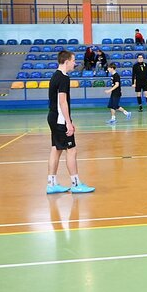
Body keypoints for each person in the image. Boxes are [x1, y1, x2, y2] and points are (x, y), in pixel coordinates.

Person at [46, 50, 95, 194]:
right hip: (60, 119)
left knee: (56, 149)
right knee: (71, 150)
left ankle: (51, 184)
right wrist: (68, 122)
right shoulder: (63, 78)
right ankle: (76, 184)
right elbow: (62, 101)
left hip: (53, 116)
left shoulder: (55, 76)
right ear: (66, 61)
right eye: (73, 61)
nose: (75, 63)